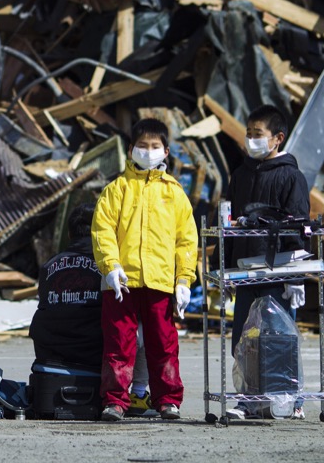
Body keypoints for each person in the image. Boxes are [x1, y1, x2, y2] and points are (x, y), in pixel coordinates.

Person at [91, 118, 198, 421]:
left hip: (160, 282)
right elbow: (103, 231)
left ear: (166, 151)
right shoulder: (116, 189)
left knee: (163, 344)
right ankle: (115, 401)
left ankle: (167, 400)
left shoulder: (175, 193)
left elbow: (186, 240)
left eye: (154, 147)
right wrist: (110, 267)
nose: (148, 152)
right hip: (120, 284)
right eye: (142, 146)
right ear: (131, 149)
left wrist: (184, 280)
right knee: (118, 345)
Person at [223, 104, 310, 420]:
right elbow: (232, 226)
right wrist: (230, 271)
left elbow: (298, 224)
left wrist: (296, 275)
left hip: (278, 271)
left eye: (257, 134)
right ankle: (248, 400)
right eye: (248, 134)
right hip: (247, 270)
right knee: (244, 338)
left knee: (279, 336)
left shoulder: (291, 176)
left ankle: (290, 399)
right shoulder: (241, 175)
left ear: (278, 138)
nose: (250, 140)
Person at [30, 203, 154, 416]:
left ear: (69, 233)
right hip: (94, 352)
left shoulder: (48, 265)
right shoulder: (112, 267)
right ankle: (139, 394)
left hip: (49, 352)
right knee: (144, 323)